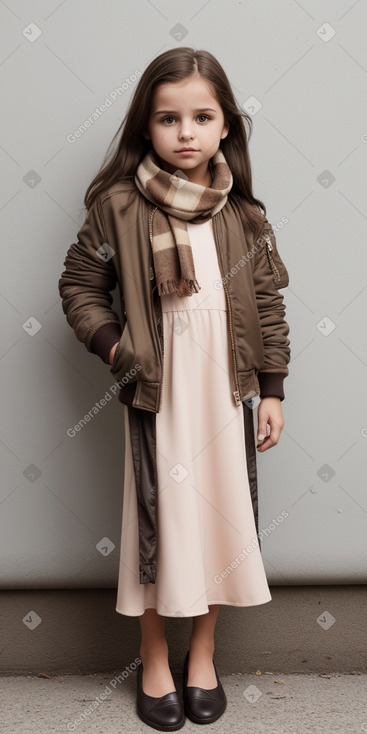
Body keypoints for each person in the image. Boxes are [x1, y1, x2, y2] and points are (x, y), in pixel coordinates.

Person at [58, 47, 291, 731]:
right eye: (168, 118)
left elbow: (269, 305)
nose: (184, 132)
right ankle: (154, 654)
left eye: (200, 116)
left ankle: (204, 656)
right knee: (159, 528)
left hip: (225, 392)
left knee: (218, 522)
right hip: (157, 393)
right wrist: (119, 350)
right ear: (145, 126)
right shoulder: (118, 207)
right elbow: (80, 288)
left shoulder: (243, 216)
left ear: (225, 128)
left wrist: (272, 390)